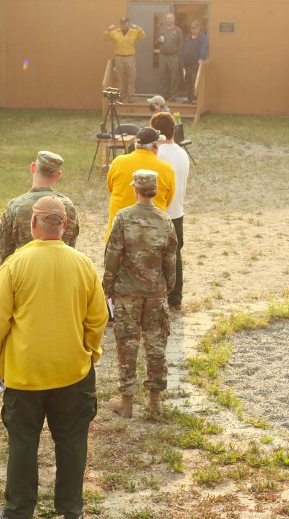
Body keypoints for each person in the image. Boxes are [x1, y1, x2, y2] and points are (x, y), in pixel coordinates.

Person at [0, 196, 108, 519]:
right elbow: (98, 318)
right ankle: (71, 511)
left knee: (23, 441)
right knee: (72, 440)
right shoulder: (83, 264)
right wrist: (89, 351)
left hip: (24, 374)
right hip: (72, 372)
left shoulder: (14, 264)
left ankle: (20, 515)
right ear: (64, 225)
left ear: (33, 224)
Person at [103, 170, 177, 418]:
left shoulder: (123, 218)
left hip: (126, 292)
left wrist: (107, 288)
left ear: (135, 189)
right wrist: (168, 288)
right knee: (156, 344)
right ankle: (155, 401)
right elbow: (170, 260)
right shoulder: (165, 220)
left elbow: (112, 255)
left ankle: (126, 403)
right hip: (155, 292)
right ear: (154, 191)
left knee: (127, 344)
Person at [0, 150, 78, 264]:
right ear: (58, 175)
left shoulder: (15, 206)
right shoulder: (68, 207)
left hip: (25, 272)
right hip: (59, 273)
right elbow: (71, 248)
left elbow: (5, 252)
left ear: (33, 167)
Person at [104, 126, 175, 242]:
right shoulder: (166, 169)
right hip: (152, 238)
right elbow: (168, 199)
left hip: (119, 235)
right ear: (155, 146)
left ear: (136, 145)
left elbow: (110, 188)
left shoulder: (118, 162)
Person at [151, 112, 189, 309]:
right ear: (174, 130)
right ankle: (176, 298)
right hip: (177, 212)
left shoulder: (157, 155)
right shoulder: (182, 153)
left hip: (158, 212)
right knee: (176, 256)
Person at [103, 16, 145, 103]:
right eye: (122, 23)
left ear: (128, 23)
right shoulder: (115, 32)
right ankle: (119, 96)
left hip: (130, 57)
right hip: (119, 57)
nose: (123, 25)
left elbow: (142, 36)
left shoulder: (134, 32)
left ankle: (130, 96)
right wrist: (108, 29)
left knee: (132, 76)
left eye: (125, 23)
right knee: (119, 77)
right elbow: (105, 38)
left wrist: (138, 28)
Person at [181, 20, 209, 104]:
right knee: (188, 81)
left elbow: (204, 47)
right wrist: (182, 61)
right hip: (187, 64)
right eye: (191, 28)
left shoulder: (202, 37)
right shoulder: (188, 37)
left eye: (194, 28)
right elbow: (183, 49)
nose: (192, 30)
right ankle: (189, 98)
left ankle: (194, 98)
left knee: (195, 81)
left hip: (196, 65)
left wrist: (201, 58)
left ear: (198, 29)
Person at [158, 13, 183, 100]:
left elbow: (180, 45)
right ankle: (164, 95)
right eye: (166, 18)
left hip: (173, 57)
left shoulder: (178, 31)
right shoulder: (162, 30)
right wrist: (159, 40)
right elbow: (156, 42)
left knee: (173, 77)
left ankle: (173, 95)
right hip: (163, 56)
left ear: (173, 20)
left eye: (168, 18)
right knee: (163, 76)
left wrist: (178, 57)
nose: (166, 20)